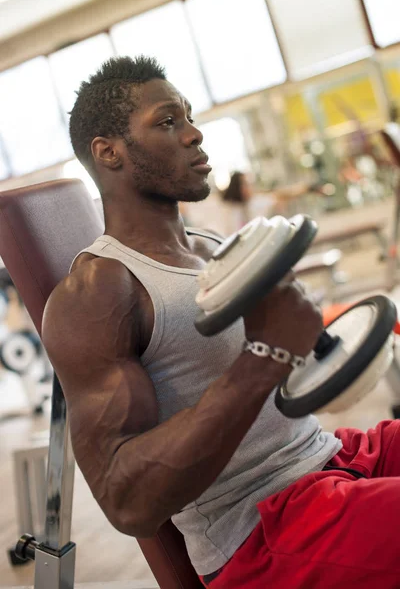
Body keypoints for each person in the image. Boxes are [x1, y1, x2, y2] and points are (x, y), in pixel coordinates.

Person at [42, 56, 400, 588]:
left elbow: (290, 356)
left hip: (332, 457)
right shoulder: (100, 290)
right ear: (108, 151)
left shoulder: (211, 249)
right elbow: (126, 501)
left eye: (188, 116)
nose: (193, 134)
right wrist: (267, 355)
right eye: (167, 122)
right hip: (266, 531)